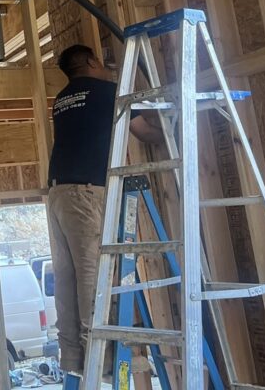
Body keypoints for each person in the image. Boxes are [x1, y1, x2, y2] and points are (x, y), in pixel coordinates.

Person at [47, 44, 160, 373]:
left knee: (67, 278)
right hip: (84, 192)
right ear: (91, 62)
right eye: (101, 60)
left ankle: (72, 359)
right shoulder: (107, 91)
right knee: (91, 274)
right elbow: (145, 132)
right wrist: (173, 128)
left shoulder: (63, 99)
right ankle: (104, 359)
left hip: (59, 193)